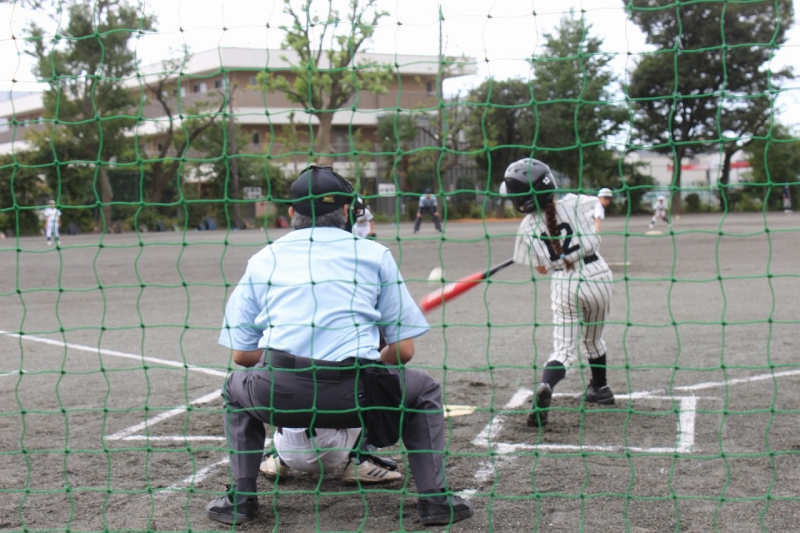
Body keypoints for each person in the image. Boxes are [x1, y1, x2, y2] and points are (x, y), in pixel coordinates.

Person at [205, 165, 473, 527]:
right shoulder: (375, 253)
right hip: (357, 397)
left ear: (292, 214)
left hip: (280, 397)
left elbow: (241, 355)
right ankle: (435, 500)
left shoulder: (263, 258)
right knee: (423, 388)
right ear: (347, 211)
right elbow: (404, 352)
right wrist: (369, 358)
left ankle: (242, 499)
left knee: (234, 391)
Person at [503, 158, 614, 428]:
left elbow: (542, 269)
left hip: (564, 283)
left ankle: (546, 384)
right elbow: (597, 207)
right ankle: (600, 388)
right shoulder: (577, 202)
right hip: (598, 276)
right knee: (592, 339)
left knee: (564, 349)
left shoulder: (527, 229)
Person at [259, 427, 401, 483]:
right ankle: (359, 461)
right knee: (371, 385)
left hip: (285, 448)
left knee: (282, 389)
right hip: (328, 453)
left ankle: (278, 461)